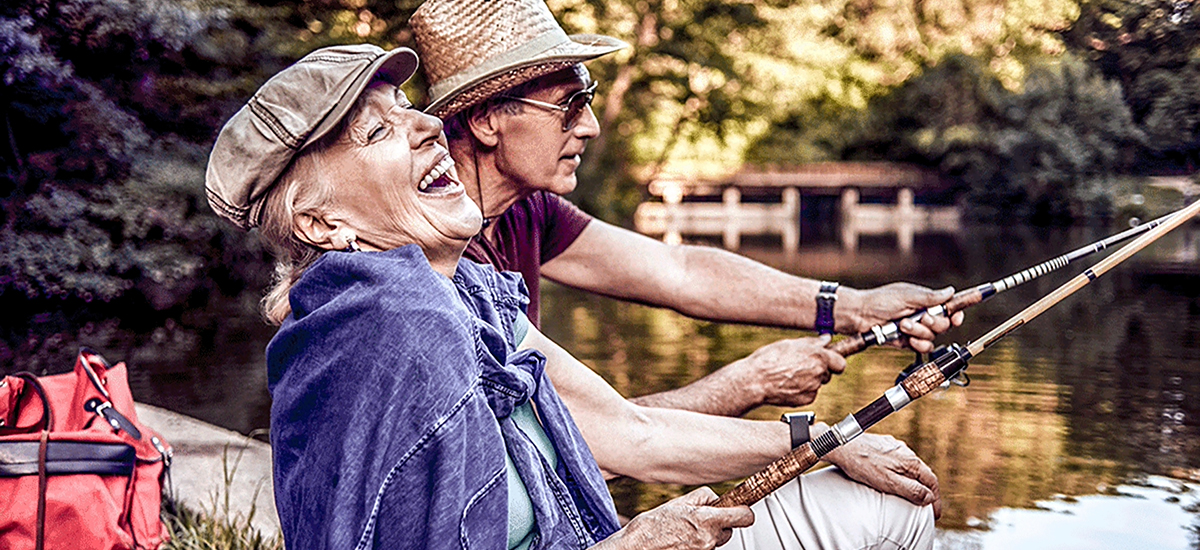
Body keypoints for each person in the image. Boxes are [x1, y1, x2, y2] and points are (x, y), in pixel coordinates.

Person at [205, 44, 940, 550]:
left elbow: (626, 428)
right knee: (884, 509)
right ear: (321, 222)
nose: (430, 123)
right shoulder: (396, 324)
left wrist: (830, 436)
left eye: (410, 109)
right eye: (379, 130)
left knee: (883, 493)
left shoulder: (465, 286)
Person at [408, 0, 965, 418]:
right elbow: (582, 438)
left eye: (590, 99)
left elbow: (680, 272)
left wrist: (855, 307)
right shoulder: (434, 259)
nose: (591, 125)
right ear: (485, 121)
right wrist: (750, 384)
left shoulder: (527, 210)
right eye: (568, 106)